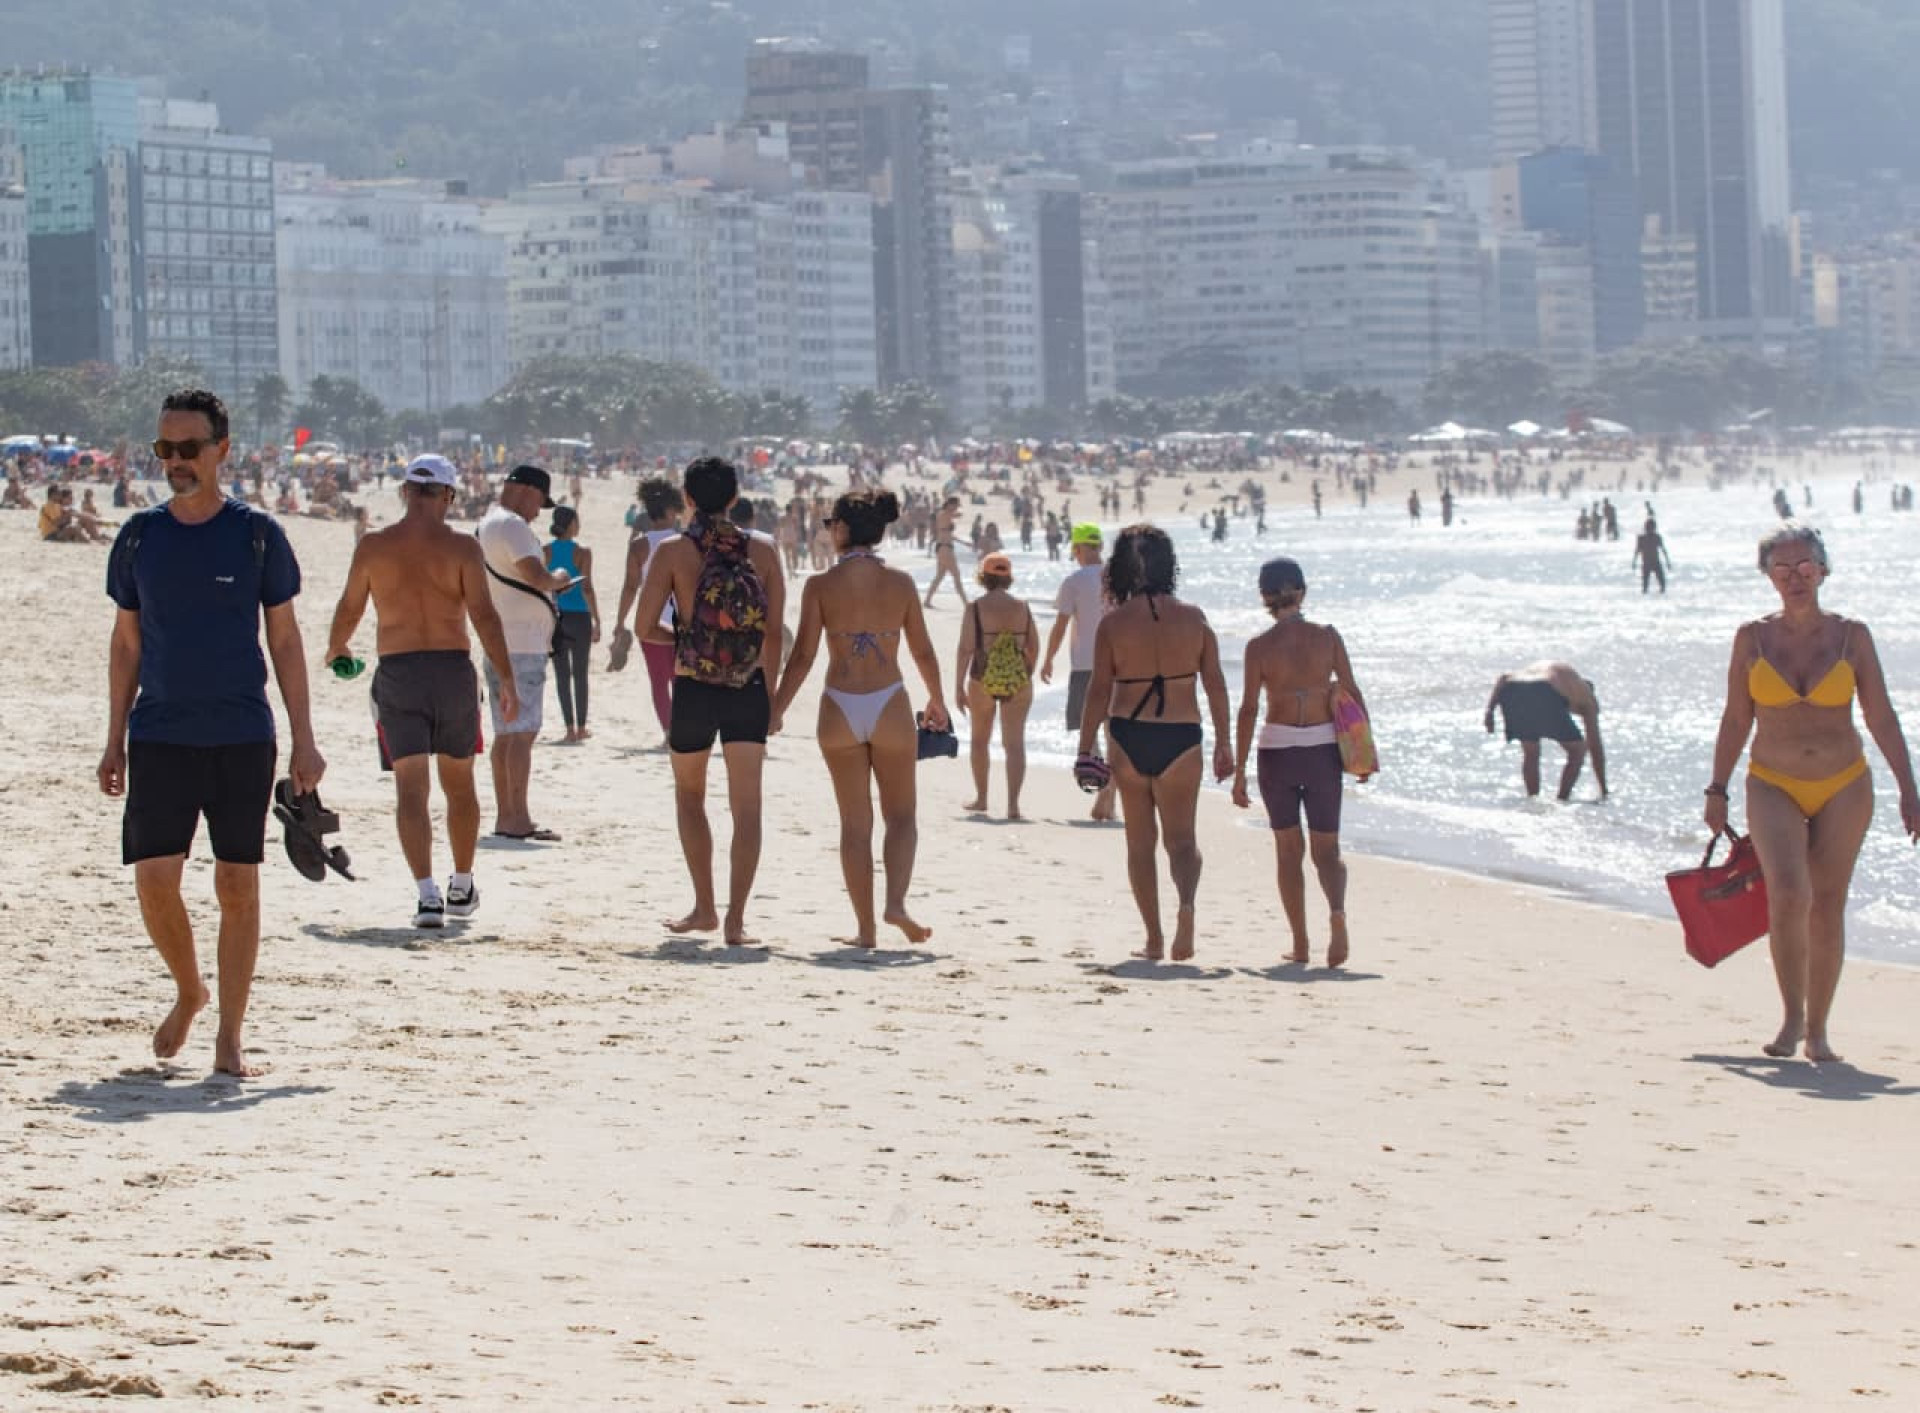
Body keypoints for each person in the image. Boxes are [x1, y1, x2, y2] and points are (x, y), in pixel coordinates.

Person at [98, 388, 324, 1076]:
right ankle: (189, 987)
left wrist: (305, 737)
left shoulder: (256, 534)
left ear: (222, 449)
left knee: (237, 883)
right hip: (160, 731)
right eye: (164, 448)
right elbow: (126, 644)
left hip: (240, 733)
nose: (175, 461)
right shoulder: (139, 535)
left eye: (189, 448)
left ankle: (230, 1034)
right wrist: (113, 738)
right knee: (155, 879)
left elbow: (284, 641)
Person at [1705, 525, 1919, 1063]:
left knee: (1827, 903)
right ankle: (1791, 1017)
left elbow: (1881, 716)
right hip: (1772, 781)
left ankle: (1818, 1030)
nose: (1795, 579)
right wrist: (1717, 787)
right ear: (1768, 576)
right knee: (1789, 895)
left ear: (1823, 570)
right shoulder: (1751, 639)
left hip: (1844, 782)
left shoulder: (1853, 637)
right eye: (1783, 570)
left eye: (1804, 568)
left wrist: (1908, 790)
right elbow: (1735, 718)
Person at [326, 455, 520, 927]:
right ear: (449, 496)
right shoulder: (461, 548)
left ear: (405, 492)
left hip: (398, 673)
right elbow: (484, 616)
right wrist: (507, 678)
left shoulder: (374, 546)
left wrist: (336, 649)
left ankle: (427, 895)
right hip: (452, 673)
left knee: (410, 790)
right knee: (460, 785)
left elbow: (351, 606)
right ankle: (461, 882)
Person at [771, 490, 950, 948]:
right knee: (902, 816)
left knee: (854, 824)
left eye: (831, 522)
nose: (828, 529)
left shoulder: (820, 585)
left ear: (844, 529)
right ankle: (896, 904)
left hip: (840, 705)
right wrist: (937, 700)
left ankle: (865, 929)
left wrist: (777, 709)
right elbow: (923, 651)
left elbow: (804, 657)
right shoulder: (902, 584)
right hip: (889, 701)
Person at [631, 457, 786, 945]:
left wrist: (687, 647)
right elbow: (774, 635)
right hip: (749, 687)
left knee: (690, 796)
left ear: (688, 499)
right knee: (747, 806)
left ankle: (704, 907)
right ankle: (737, 919)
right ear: (736, 499)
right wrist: (773, 695)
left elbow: (643, 626)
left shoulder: (673, 552)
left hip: (694, 686)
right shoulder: (762, 550)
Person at [1074, 525, 1233, 962]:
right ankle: (1186, 906)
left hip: (1129, 734)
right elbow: (1216, 685)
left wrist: (1086, 748)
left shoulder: (1114, 625)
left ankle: (1154, 938)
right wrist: (1225, 743)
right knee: (1182, 841)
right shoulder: (1194, 618)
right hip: (1182, 736)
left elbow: (1098, 692)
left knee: (1139, 843)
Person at [1230, 558, 1366, 968]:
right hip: (1323, 751)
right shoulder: (1327, 638)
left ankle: (1301, 942)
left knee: (1288, 850)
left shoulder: (1259, 647)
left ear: (1264, 598)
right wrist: (1362, 755)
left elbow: (1249, 709)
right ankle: (1338, 916)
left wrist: (1239, 771)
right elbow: (1352, 691)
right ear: (1302, 591)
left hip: (1278, 751)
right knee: (1328, 849)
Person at [477, 465, 573, 841]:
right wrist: (560, 579)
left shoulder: (487, 523)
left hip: (501, 639)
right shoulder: (512, 525)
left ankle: (508, 815)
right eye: (539, 502)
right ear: (525, 491)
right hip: (522, 643)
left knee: (506, 734)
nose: (538, 513)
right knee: (522, 733)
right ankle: (516, 818)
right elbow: (536, 575)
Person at [1040, 523, 1118, 820]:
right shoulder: (1119, 578)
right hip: (1120, 664)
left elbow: (1061, 625)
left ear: (1078, 549)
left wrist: (1048, 658)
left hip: (1086, 664)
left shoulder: (1074, 581)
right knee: (1115, 732)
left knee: (1090, 730)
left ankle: (1103, 794)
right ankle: (1110, 797)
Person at [954, 551, 1037, 819]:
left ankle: (982, 799)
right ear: (1008, 577)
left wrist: (957, 685)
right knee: (1014, 744)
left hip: (982, 679)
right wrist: (1025, 672)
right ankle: (1013, 805)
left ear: (984, 576)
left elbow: (966, 648)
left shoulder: (976, 608)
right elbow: (1033, 647)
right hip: (1017, 681)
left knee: (980, 741)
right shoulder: (1022, 607)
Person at [608, 476, 685, 740]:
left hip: (649, 620)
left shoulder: (639, 545)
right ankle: (685, 730)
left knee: (658, 680)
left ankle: (668, 730)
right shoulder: (685, 542)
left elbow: (630, 586)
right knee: (682, 679)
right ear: (670, 511)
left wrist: (620, 622)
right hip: (682, 620)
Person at [1484, 662, 1608, 800]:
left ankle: (1532, 799)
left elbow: (1503, 678)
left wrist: (1490, 711)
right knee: (1578, 751)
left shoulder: (1560, 676)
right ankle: (1562, 799)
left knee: (1530, 752)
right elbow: (1595, 748)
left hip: (1512, 688)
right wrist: (1604, 789)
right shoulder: (1588, 700)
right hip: (1544, 688)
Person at [545, 505, 600, 743]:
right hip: (579, 616)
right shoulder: (583, 552)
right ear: (570, 524)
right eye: (576, 521)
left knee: (561, 674)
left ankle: (568, 728)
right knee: (580, 674)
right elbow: (587, 588)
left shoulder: (544, 551)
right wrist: (597, 619)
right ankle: (581, 728)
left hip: (556, 616)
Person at [924, 496, 968, 607]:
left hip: (943, 547)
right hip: (945, 548)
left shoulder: (945, 516)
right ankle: (966, 603)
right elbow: (954, 515)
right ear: (950, 505)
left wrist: (964, 542)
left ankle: (927, 600)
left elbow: (949, 534)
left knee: (940, 576)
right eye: (956, 505)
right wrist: (956, 513)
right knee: (956, 575)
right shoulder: (944, 514)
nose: (956, 508)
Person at [1633, 517, 1673, 593]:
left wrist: (1668, 562)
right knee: (1645, 585)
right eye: (1649, 528)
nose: (1650, 529)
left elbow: (1663, 550)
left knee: (1662, 583)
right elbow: (1637, 550)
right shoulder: (1642, 538)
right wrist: (1634, 562)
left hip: (1655, 562)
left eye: (1652, 528)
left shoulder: (1656, 537)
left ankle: (1661, 595)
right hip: (1647, 563)